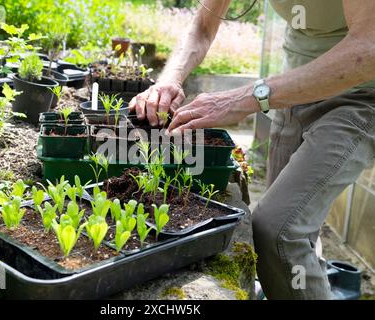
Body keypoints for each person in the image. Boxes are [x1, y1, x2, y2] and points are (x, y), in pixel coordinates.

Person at [130, 0, 375, 299]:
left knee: (279, 230)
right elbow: (202, 27)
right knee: (298, 227)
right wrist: (169, 79)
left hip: (360, 98)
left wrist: (246, 98)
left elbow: (368, 47)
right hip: (293, 92)